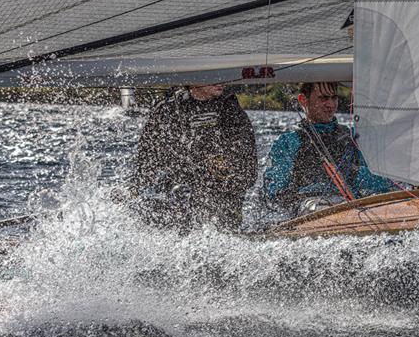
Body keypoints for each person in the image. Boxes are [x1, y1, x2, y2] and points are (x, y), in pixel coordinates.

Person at [129, 84, 257, 232]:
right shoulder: (168, 109)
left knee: (213, 214)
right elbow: (148, 157)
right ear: (193, 83)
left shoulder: (231, 110)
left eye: (222, 77)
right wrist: (134, 189)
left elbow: (248, 166)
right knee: (153, 207)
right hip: (178, 189)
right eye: (214, 78)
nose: (221, 82)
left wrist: (226, 167)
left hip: (221, 194)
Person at [263, 82, 396, 215]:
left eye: (334, 98)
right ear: (303, 100)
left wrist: (356, 174)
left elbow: (382, 181)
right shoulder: (288, 142)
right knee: (319, 207)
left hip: (352, 204)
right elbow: (273, 192)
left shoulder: (352, 138)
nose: (331, 104)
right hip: (309, 206)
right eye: (323, 98)